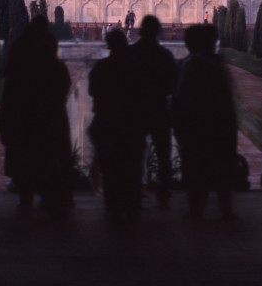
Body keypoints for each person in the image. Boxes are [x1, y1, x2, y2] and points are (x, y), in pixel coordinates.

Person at [0, 14, 72, 219]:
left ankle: (26, 201)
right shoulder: (46, 50)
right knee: (47, 158)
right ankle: (52, 201)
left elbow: (10, 84)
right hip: (44, 115)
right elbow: (61, 80)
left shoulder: (20, 48)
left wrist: (5, 117)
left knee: (24, 160)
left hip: (22, 114)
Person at [171, 23, 239, 220]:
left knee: (195, 170)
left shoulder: (190, 65)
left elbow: (181, 97)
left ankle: (197, 209)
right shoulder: (216, 64)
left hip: (198, 127)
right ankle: (224, 209)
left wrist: (179, 125)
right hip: (218, 125)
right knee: (221, 170)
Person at [88, 28, 146, 223]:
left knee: (110, 168)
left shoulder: (102, 67)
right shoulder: (136, 66)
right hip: (131, 125)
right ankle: (132, 208)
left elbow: (92, 90)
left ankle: (112, 208)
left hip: (107, 124)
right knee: (131, 167)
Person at [130, 14, 178, 208]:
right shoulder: (164, 55)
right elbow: (172, 86)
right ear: (158, 32)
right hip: (158, 108)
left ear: (140, 31)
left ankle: (135, 191)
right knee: (163, 153)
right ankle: (164, 193)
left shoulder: (131, 53)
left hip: (136, 110)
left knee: (134, 152)